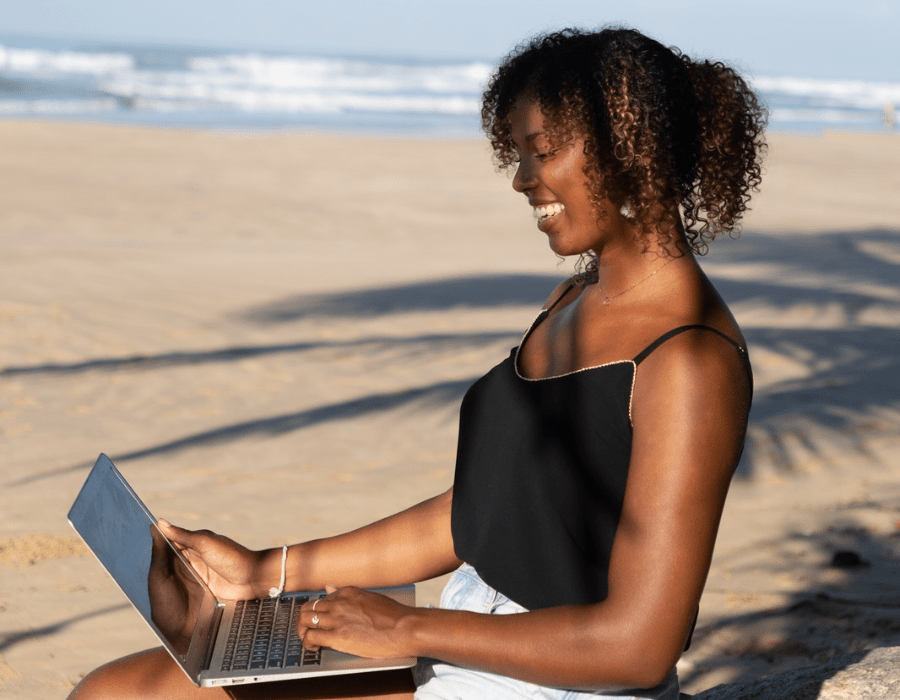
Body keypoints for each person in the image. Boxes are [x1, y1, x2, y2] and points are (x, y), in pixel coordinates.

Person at [68, 26, 766, 700]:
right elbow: (482, 515)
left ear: (629, 145)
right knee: (114, 690)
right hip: (468, 638)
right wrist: (265, 571)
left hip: (559, 682)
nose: (523, 179)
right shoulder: (574, 301)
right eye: (518, 154)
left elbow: (640, 647)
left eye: (543, 150)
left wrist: (406, 626)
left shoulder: (688, 362)